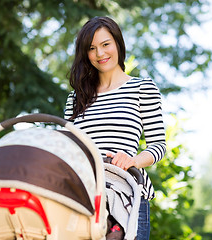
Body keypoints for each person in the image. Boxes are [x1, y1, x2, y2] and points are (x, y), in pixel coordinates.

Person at [64, 16, 166, 240]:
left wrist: (133, 161)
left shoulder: (142, 88)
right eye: (92, 48)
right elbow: (69, 149)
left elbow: (159, 146)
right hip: (83, 198)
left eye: (105, 44)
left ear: (118, 44)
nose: (100, 54)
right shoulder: (76, 98)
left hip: (127, 195)